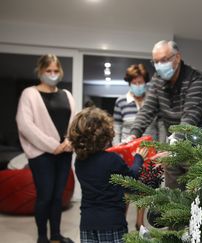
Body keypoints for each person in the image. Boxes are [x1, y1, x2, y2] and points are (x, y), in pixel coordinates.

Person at [130, 40, 202, 189]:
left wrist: (172, 149)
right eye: (155, 62)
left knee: (198, 197)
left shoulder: (197, 79)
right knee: (173, 199)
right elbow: (147, 110)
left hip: (199, 150)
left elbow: (189, 119)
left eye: (164, 60)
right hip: (173, 146)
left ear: (177, 57)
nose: (159, 65)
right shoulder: (157, 80)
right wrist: (133, 135)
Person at [16, 54, 75, 243]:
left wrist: (69, 142)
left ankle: (56, 235)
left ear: (60, 72)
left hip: (65, 152)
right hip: (41, 155)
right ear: (40, 71)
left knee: (58, 197)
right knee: (45, 196)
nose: (52, 74)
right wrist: (53, 146)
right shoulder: (29, 94)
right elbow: (25, 125)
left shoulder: (67, 95)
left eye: (56, 71)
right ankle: (42, 237)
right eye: (48, 71)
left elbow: (75, 122)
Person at [68, 107, 148, 243]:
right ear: (105, 134)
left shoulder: (79, 161)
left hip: (87, 223)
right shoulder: (112, 159)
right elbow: (131, 178)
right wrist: (138, 158)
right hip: (112, 222)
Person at [112, 64, 163, 230]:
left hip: (150, 153)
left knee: (145, 190)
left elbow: (160, 126)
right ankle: (121, 223)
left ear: (145, 82)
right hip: (128, 155)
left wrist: (162, 148)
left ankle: (140, 223)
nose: (138, 85)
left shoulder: (153, 101)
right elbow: (117, 129)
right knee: (126, 190)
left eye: (141, 82)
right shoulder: (121, 102)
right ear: (129, 82)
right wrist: (117, 152)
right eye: (135, 82)